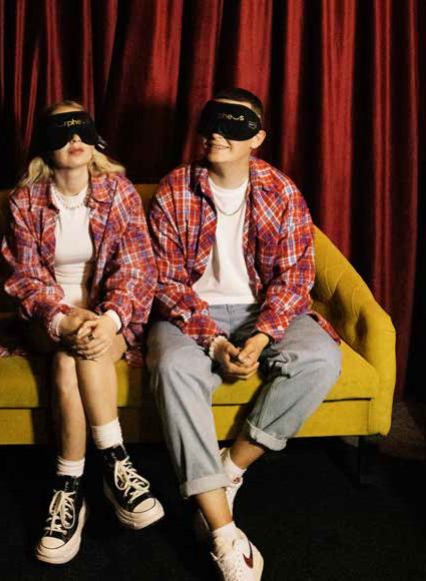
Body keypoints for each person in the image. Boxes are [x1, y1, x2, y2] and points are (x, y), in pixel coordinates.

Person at [146, 88, 341, 581]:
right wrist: (214, 342)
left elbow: (295, 278)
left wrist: (262, 336)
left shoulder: (282, 191)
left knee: (320, 358)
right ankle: (223, 533)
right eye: (211, 122)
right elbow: (164, 282)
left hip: (263, 310)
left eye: (233, 125)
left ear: (257, 138)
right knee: (171, 368)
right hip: (192, 315)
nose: (217, 133)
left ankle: (229, 468)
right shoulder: (174, 189)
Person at [2, 100, 164, 565]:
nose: (75, 138)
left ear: (95, 141)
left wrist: (106, 319)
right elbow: (26, 279)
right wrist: (64, 318)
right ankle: (117, 463)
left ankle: (70, 484)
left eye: (83, 129)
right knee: (67, 347)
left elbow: (137, 270)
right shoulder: (24, 201)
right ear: (44, 144)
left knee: (69, 359)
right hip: (46, 318)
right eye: (63, 130)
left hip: (108, 314)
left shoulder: (119, 192)